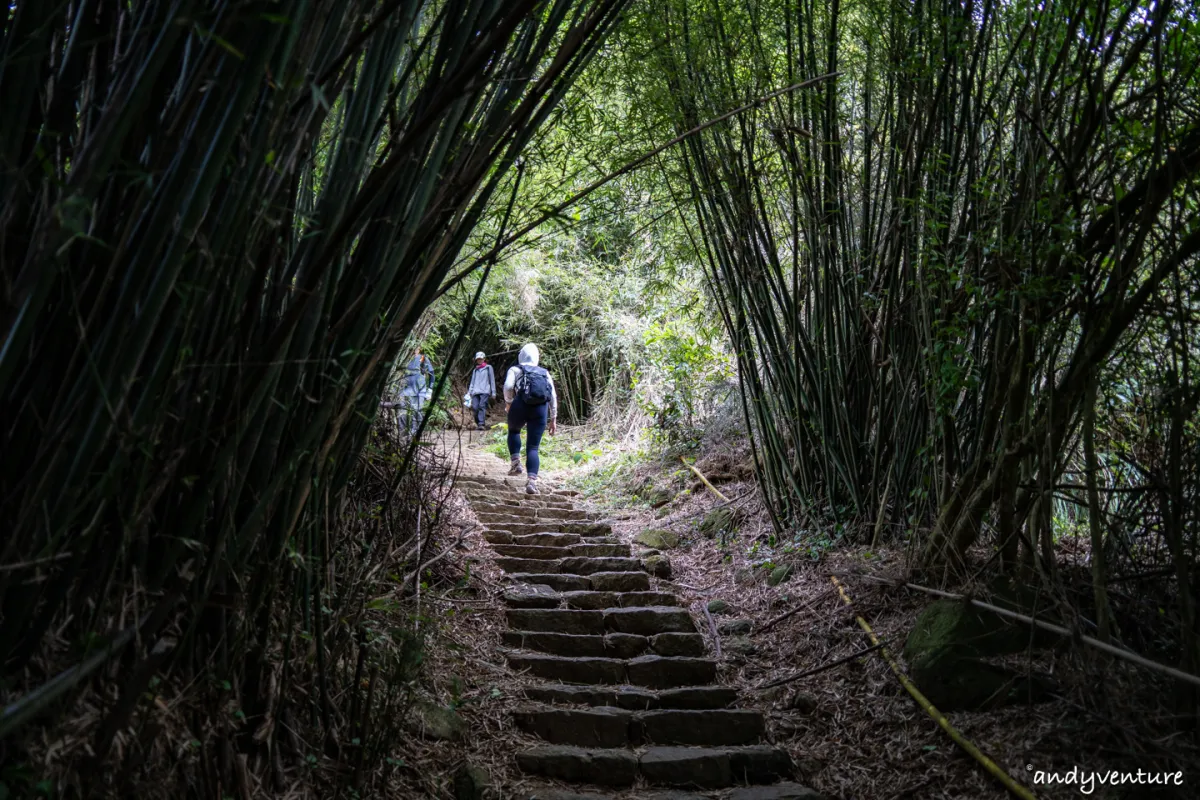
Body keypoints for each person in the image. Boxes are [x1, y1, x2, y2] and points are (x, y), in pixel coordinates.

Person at [504, 343, 558, 494]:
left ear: (521, 356)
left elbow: (508, 387)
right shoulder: (544, 373)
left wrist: (508, 403)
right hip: (540, 409)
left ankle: (516, 463)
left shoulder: (515, 369)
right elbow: (553, 396)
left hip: (520, 404)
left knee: (514, 431)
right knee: (533, 447)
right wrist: (553, 418)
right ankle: (532, 481)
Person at [399, 347, 435, 435]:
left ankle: (416, 434)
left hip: (420, 390)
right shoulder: (405, 358)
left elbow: (432, 374)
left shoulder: (423, 358)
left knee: (417, 411)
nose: (415, 349)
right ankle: (402, 433)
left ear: (419, 349)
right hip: (407, 389)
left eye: (417, 348)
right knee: (402, 410)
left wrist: (430, 390)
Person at [467, 351, 497, 430]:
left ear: (484, 359)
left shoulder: (488, 368)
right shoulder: (475, 370)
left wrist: (493, 392)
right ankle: (478, 423)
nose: (479, 360)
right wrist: (469, 392)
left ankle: (481, 424)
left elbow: (492, 380)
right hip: (475, 391)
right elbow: (472, 382)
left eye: (481, 359)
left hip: (485, 391)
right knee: (475, 407)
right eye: (478, 359)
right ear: (476, 360)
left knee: (482, 406)